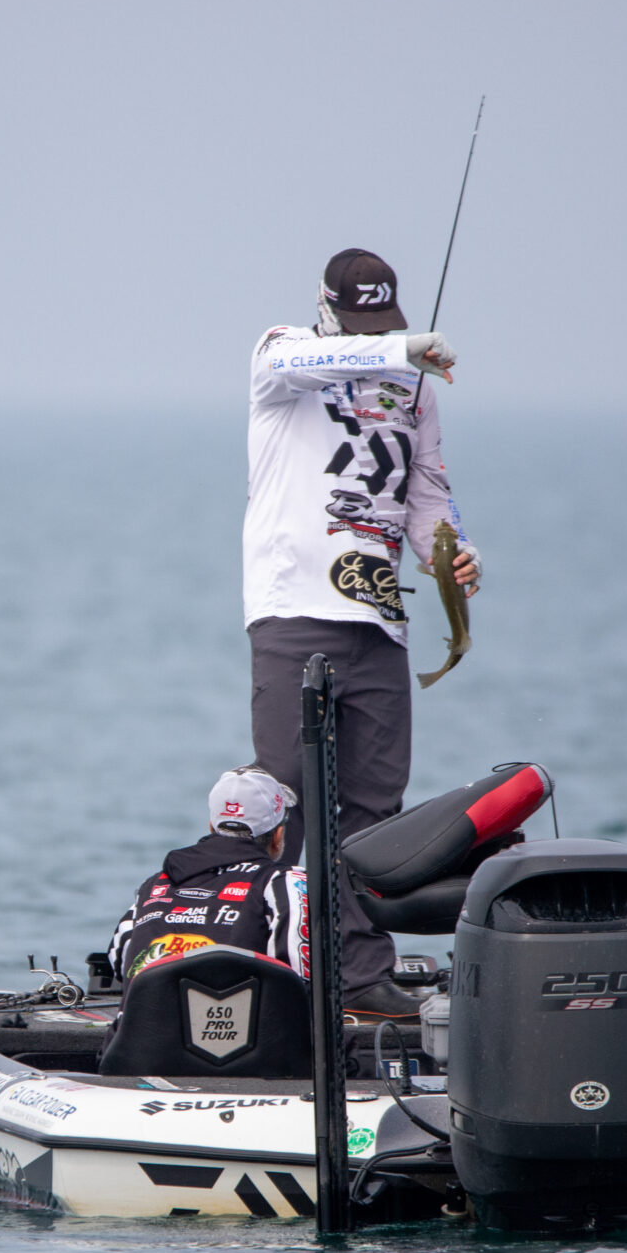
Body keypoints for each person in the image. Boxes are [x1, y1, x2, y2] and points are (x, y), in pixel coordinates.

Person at [244, 248, 480, 1017]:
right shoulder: (282, 355)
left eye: (385, 323)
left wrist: (454, 552)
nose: (373, 335)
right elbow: (309, 357)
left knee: (376, 806)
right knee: (283, 796)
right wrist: (399, 348)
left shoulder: (415, 386)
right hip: (293, 610)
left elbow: (427, 493)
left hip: (380, 620)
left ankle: (359, 973)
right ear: (327, 310)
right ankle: (268, 959)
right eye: (360, 322)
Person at [107, 766, 309, 984]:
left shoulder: (154, 885)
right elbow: (298, 975)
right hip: (243, 1006)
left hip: (147, 1005)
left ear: (212, 826)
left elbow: (118, 960)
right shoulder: (285, 882)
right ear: (278, 835)